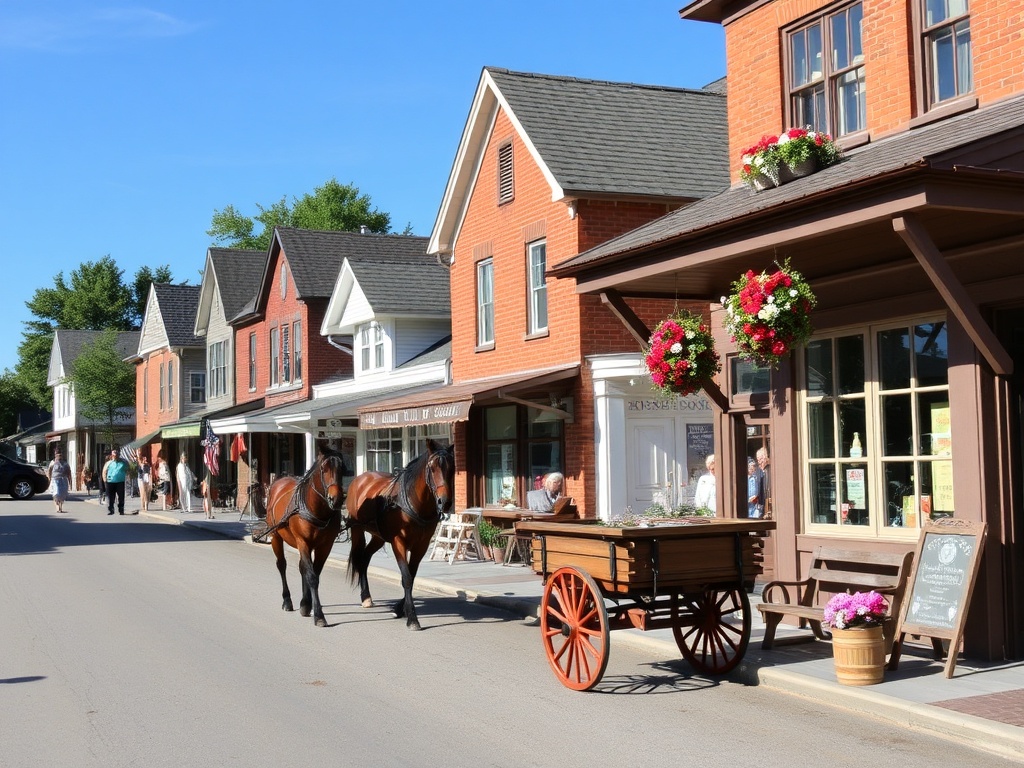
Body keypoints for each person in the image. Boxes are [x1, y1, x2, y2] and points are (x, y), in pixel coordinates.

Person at [102, 448, 129, 516]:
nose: (115, 457)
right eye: (114, 455)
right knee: (111, 497)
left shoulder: (124, 462)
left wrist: (128, 477)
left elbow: (128, 469)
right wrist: (105, 480)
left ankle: (121, 509)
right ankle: (111, 510)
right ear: (112, 456)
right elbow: (104, 471)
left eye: (117, 455)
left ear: (119, 455)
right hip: (110, 482)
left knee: (121, 497)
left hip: (120, 482)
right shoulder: (109, 463)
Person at [47, 449, 71, 514]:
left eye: (60, 455)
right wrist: (49, 479)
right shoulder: (52, 462)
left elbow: (69, 472)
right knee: (56, 493)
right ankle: (57, 507)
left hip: (63, 480)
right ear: (55, 455)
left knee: (62, 494)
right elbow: (49, 471)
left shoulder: (65, 463)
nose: (59, 456)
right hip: (55, 480)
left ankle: (60, 506)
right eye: (57, 455)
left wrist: (69, 481)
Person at [756, 447, 772, 520]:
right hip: (762, 504)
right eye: (758, 460)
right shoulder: (760, 471)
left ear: (765, 458)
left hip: (770, 502)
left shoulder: (770, 469)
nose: (759, 462)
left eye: (760, 459)